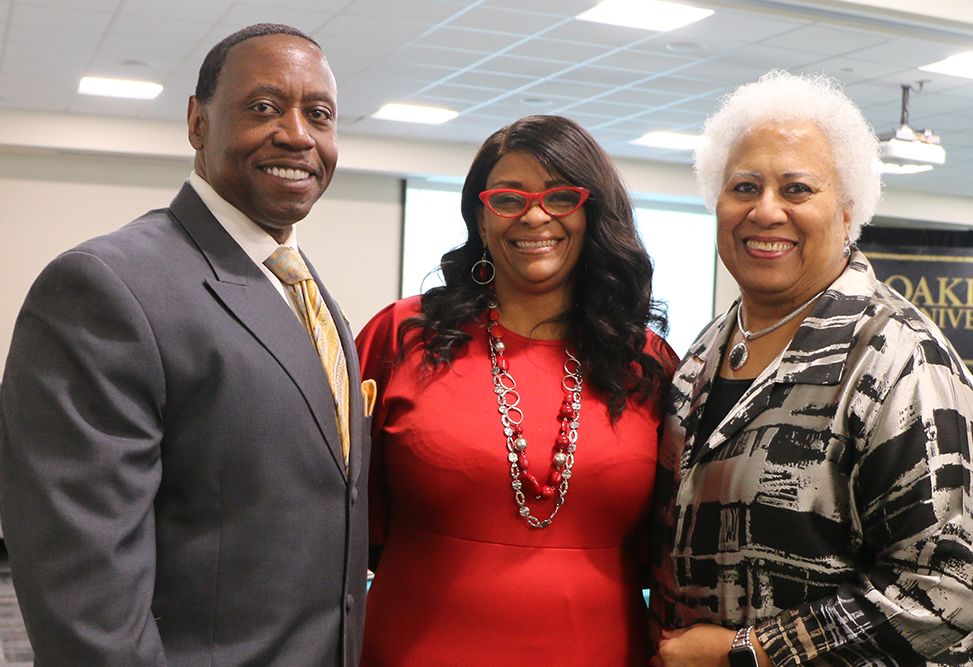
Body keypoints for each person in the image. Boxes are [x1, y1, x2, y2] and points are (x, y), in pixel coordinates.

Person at [0, 23, 369, 666]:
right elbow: (85, 602)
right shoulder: (105, 287)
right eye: (263, 107)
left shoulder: (307, 294)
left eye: (319, 114)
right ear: (197, 122)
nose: (298, 134)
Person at [650, 70, 973, 667]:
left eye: (797, 189)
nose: (765, 210)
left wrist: (750, 653)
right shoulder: (704, 353)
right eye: (744, 186)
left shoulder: (901, 358)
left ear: (846, 213)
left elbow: (954, 587)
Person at [355, 114, 678, 666]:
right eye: (507, 198)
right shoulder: (401, 336)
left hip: (597, 649)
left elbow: (670, 544)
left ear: (592, 213)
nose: (533, 215)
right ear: (481, 218)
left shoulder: (646, 362)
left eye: (560, 197)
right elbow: (341, 513)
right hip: (415, 647)